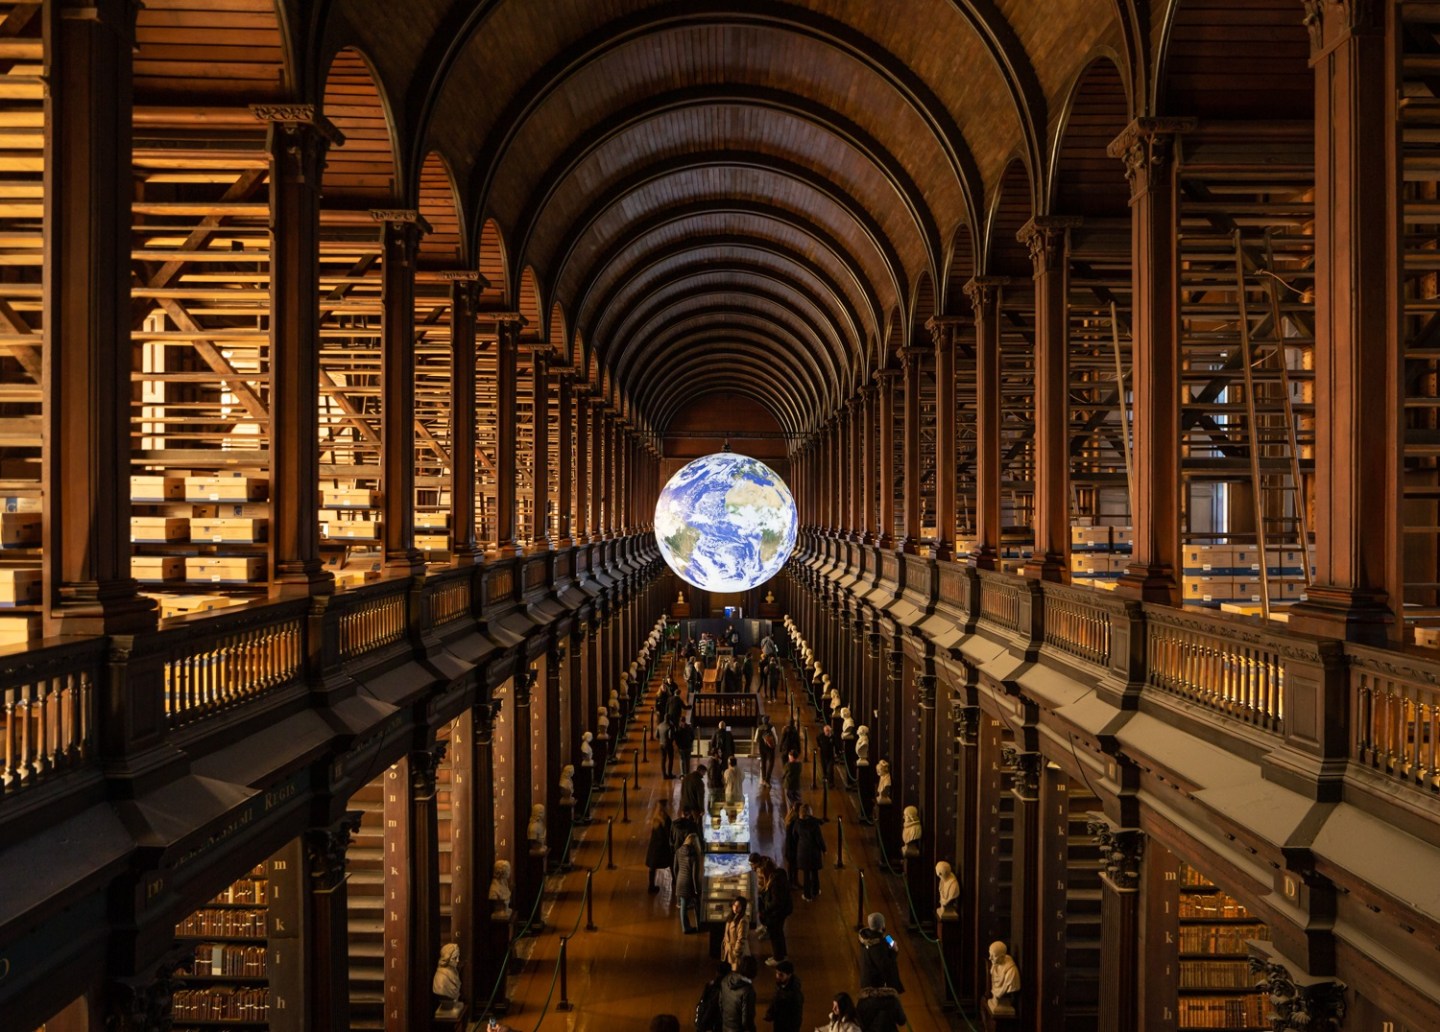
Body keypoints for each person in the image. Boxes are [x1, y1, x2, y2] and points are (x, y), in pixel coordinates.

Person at [857, 913, 904, 993]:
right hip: (877, 987)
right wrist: (894, 951)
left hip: (866, 981)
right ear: (882, 924)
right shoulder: (880, 944)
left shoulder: (865, 937)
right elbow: (886, 966)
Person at [757, 859, 792, 966]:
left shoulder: (775, 883)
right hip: (781, 911)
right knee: (779, 933)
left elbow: (776, 902)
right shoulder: (777, 877)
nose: (758, 875)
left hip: (777, 913)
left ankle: (778, 957)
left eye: (760, 872)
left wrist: (766, 908)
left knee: (775, 934)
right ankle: (782, 955)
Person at [720, 954, 758, 1032]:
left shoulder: (726, 980)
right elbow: (747, 1019)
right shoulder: (748, 991)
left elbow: (720, 1003)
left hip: (725, 1026)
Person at [762, 959, 803, 1032]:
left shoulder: (795, 995)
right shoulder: (780, 985)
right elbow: (775, 999)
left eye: (781, 975)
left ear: (789, 975)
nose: (777, 976)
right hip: (779, 1023)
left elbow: (796, 1018)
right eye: (776, 973)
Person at [795, 804, 826, 901]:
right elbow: (819, 838)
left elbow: (794, 836)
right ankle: (816, 891)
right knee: (815, 872)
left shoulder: (797, 823)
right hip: (814, 851)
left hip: (803, 851)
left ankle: (807, 895)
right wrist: (824, 849)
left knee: (806, 874)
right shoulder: (814, 824)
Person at [674, 832, 703, 933]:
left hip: (680, 881)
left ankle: (685, 928)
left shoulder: (678, 851)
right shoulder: (693, 855)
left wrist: (677, 879)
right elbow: (694, 875)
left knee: (683, 906)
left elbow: (675, 868)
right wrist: (696, 889)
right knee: (696, 905)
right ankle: (699, 925)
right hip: (689, 883)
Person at [645, 799, 674, 894]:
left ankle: (651, 886)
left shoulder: (655, 818)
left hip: (654, 847)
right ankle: (675, 880)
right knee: (671, 862)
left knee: (653, 867)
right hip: (664, 847)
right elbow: (669, 833)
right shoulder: (665, 819)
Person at [696, 961, 731, 1032]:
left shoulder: (710, 986)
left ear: (717, 972)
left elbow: (703, 1003)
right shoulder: (731, 988)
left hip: (711, 1022)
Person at [722, 894, 750, 968]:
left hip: (737, 954)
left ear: (742, 908)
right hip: (729, 952)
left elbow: (741, 939)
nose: (735, 908)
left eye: (738, 906)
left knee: (737, 972)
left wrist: (735, 953)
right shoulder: (731, 916)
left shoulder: (743, 921)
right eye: (734, 905)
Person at [754, 716, 777, 783]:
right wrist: (775, 744)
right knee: (771, 762)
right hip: (770, 748)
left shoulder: (759, 728)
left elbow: (756, 740)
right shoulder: (771, 727)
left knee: (763, 762)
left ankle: (763, 778)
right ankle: (768, 778)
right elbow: (775, 737)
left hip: (762, 747)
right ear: (768, 720)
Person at [781, 750, 803, 814]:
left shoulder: (788, 765)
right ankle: (798, 813)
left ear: (792, 757)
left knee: (789, 802)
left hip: (788, 785)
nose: (789, 759)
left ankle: (790, 815)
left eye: (790, 757)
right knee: (798, 800)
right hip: (797, 785)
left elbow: (784, 773)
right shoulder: (799, 765)